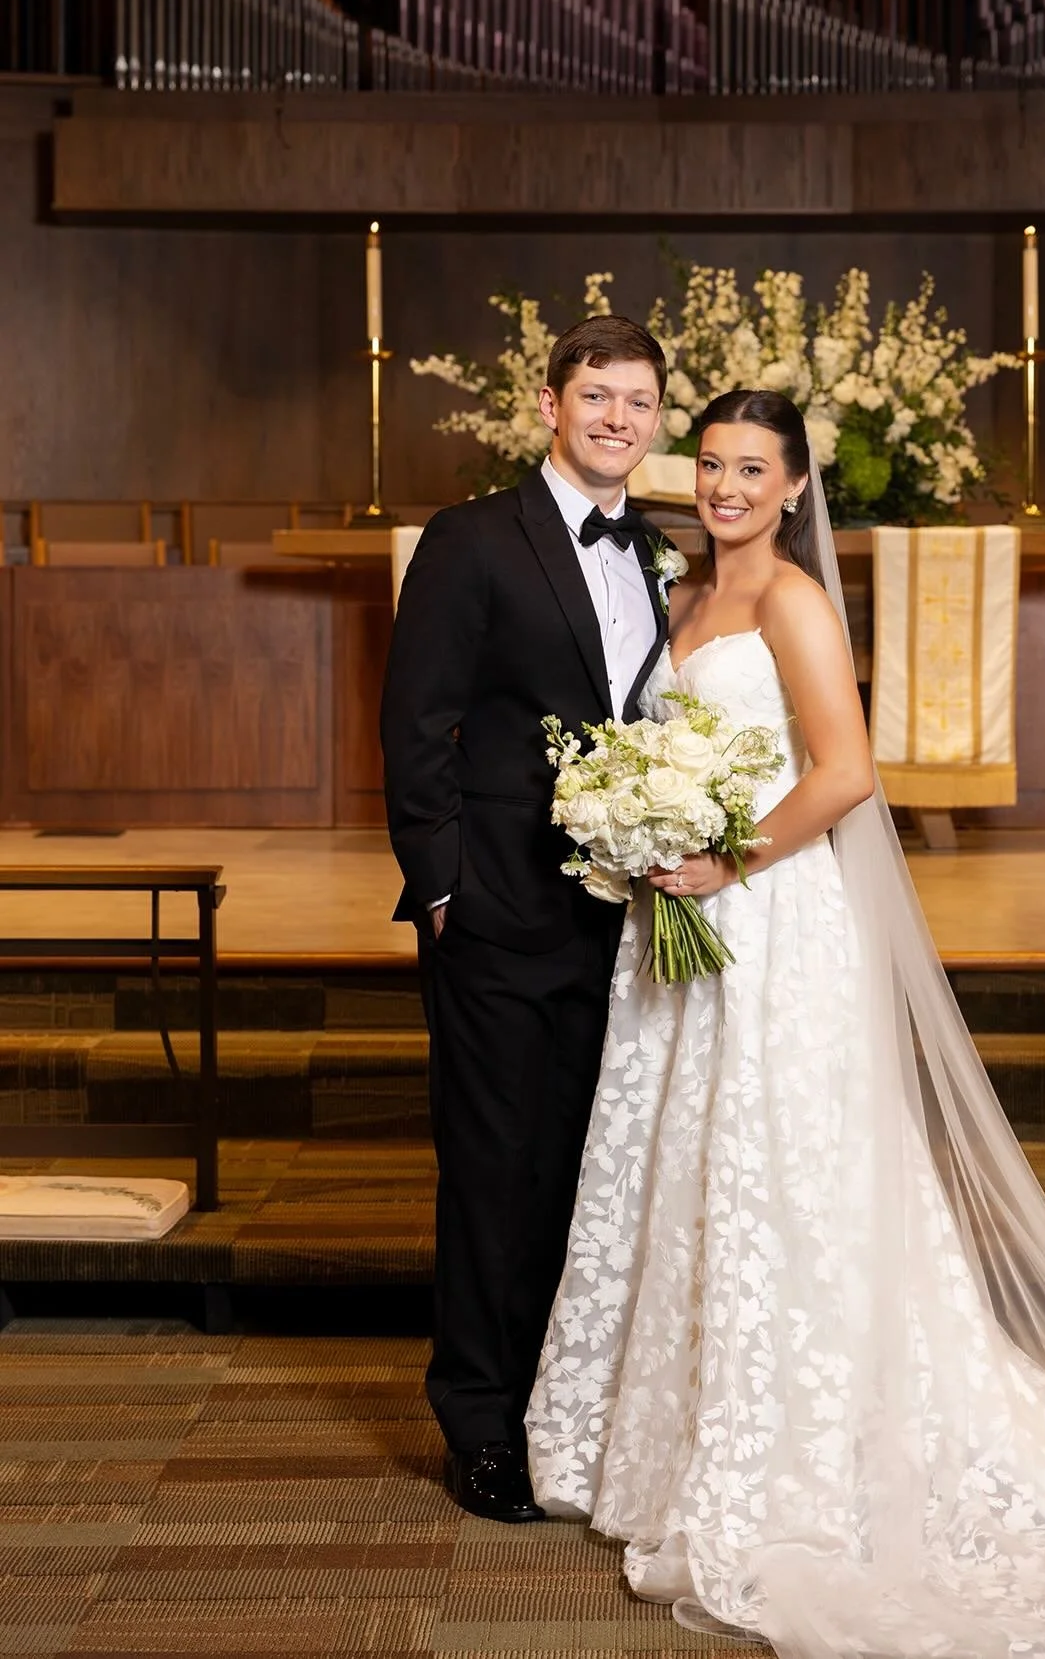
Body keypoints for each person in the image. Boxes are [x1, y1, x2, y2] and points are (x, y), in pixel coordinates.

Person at [526, 389, 1045, 1659]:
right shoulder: (682, 594)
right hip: (685, 930)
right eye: (715, 465)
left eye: (753, 470)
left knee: (786, 1175)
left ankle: (812, 1442)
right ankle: (688, 1432)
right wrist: (649, 825)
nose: (727, 487)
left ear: (795, 488)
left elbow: (845, 772)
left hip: (774, 921)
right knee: (695, 1169)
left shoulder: (789, 598)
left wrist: (728, 861)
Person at [381, 314, 676, 1524]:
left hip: (620, 918)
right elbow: (416, 728)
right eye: (596, 395)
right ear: (550, 406)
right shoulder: (471, 541)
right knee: (493, 1172)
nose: (617, 418)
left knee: (579, 1167)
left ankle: (562, 1403)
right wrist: (445, 889)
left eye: (639, 402)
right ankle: (481, 1424)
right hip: (497, 913)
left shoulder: (655, 548)